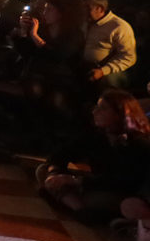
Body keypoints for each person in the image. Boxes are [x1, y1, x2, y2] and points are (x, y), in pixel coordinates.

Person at [37, 89, 150, 224]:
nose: (95, 111)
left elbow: (121, 180)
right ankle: (80, 209)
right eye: (96, 107)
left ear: (119, 114)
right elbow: (61, 154)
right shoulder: (97, 135)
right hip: (94, 182)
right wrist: (54, 173)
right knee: (43, 170)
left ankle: (72, 203)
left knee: (95, 200)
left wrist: (76, 181)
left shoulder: (136, 142)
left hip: (117, 190)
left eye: (103, 109)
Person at [81, 0, 136, 91]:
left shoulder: (119, 27)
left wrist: (103, 71)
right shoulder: (85, 23)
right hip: (86, 67)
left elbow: (129, 57)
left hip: (110, 71)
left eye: (87, 8)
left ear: (100, 9)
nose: (83, 11)